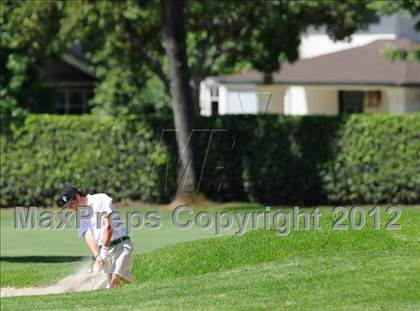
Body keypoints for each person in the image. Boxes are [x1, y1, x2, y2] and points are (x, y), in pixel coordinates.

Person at [59, 185, 133, 288]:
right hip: (104, 251)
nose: (71, 208)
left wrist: (104, 250)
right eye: (68, 207)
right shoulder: (80, 216)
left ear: (77, 196)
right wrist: (97, 255)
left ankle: (120, 275)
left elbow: (109, 225)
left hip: (121, 245)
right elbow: (88, 235)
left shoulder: (100, 199)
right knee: (95, 289)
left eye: (71, 204)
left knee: (113, 279)